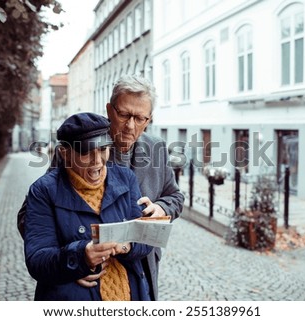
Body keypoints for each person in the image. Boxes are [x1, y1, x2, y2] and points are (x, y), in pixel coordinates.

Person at [23, 112, 152, 301]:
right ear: (64, 153)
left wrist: (128, 245)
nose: (98, 161)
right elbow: (37, 260)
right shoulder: (43, 191)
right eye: (86, 152)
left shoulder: (126, 178)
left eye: (103, 149)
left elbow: (145, 240)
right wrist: (80, 258)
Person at [77, 74, 185, 300]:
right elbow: (30, 215)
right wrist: (71, 261)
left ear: (149, 119)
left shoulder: (157, 147)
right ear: (109, 109)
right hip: (88, 279)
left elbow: (175, 196)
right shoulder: (79, 145)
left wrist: (161, 208)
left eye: (139, 118)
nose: (130, 126)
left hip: (141, 273)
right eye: (124, 114)